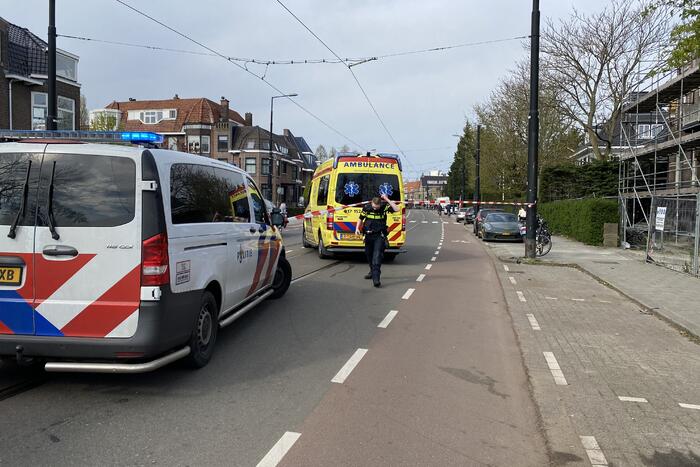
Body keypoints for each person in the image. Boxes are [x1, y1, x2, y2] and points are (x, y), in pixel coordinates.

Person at [356, 194, 400, 287]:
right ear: (371, 203)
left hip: (379, 236)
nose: (375, 209)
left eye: (377, 207)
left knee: (377, 256)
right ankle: (372, 272)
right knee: (369, 255)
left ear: (380, 204)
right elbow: (360, 219)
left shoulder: (384, 207)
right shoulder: (367, 208)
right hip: (368, 235)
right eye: (374, 207)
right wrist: (357, 228)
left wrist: (386, 199)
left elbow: (397, 209)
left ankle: (376, 279)